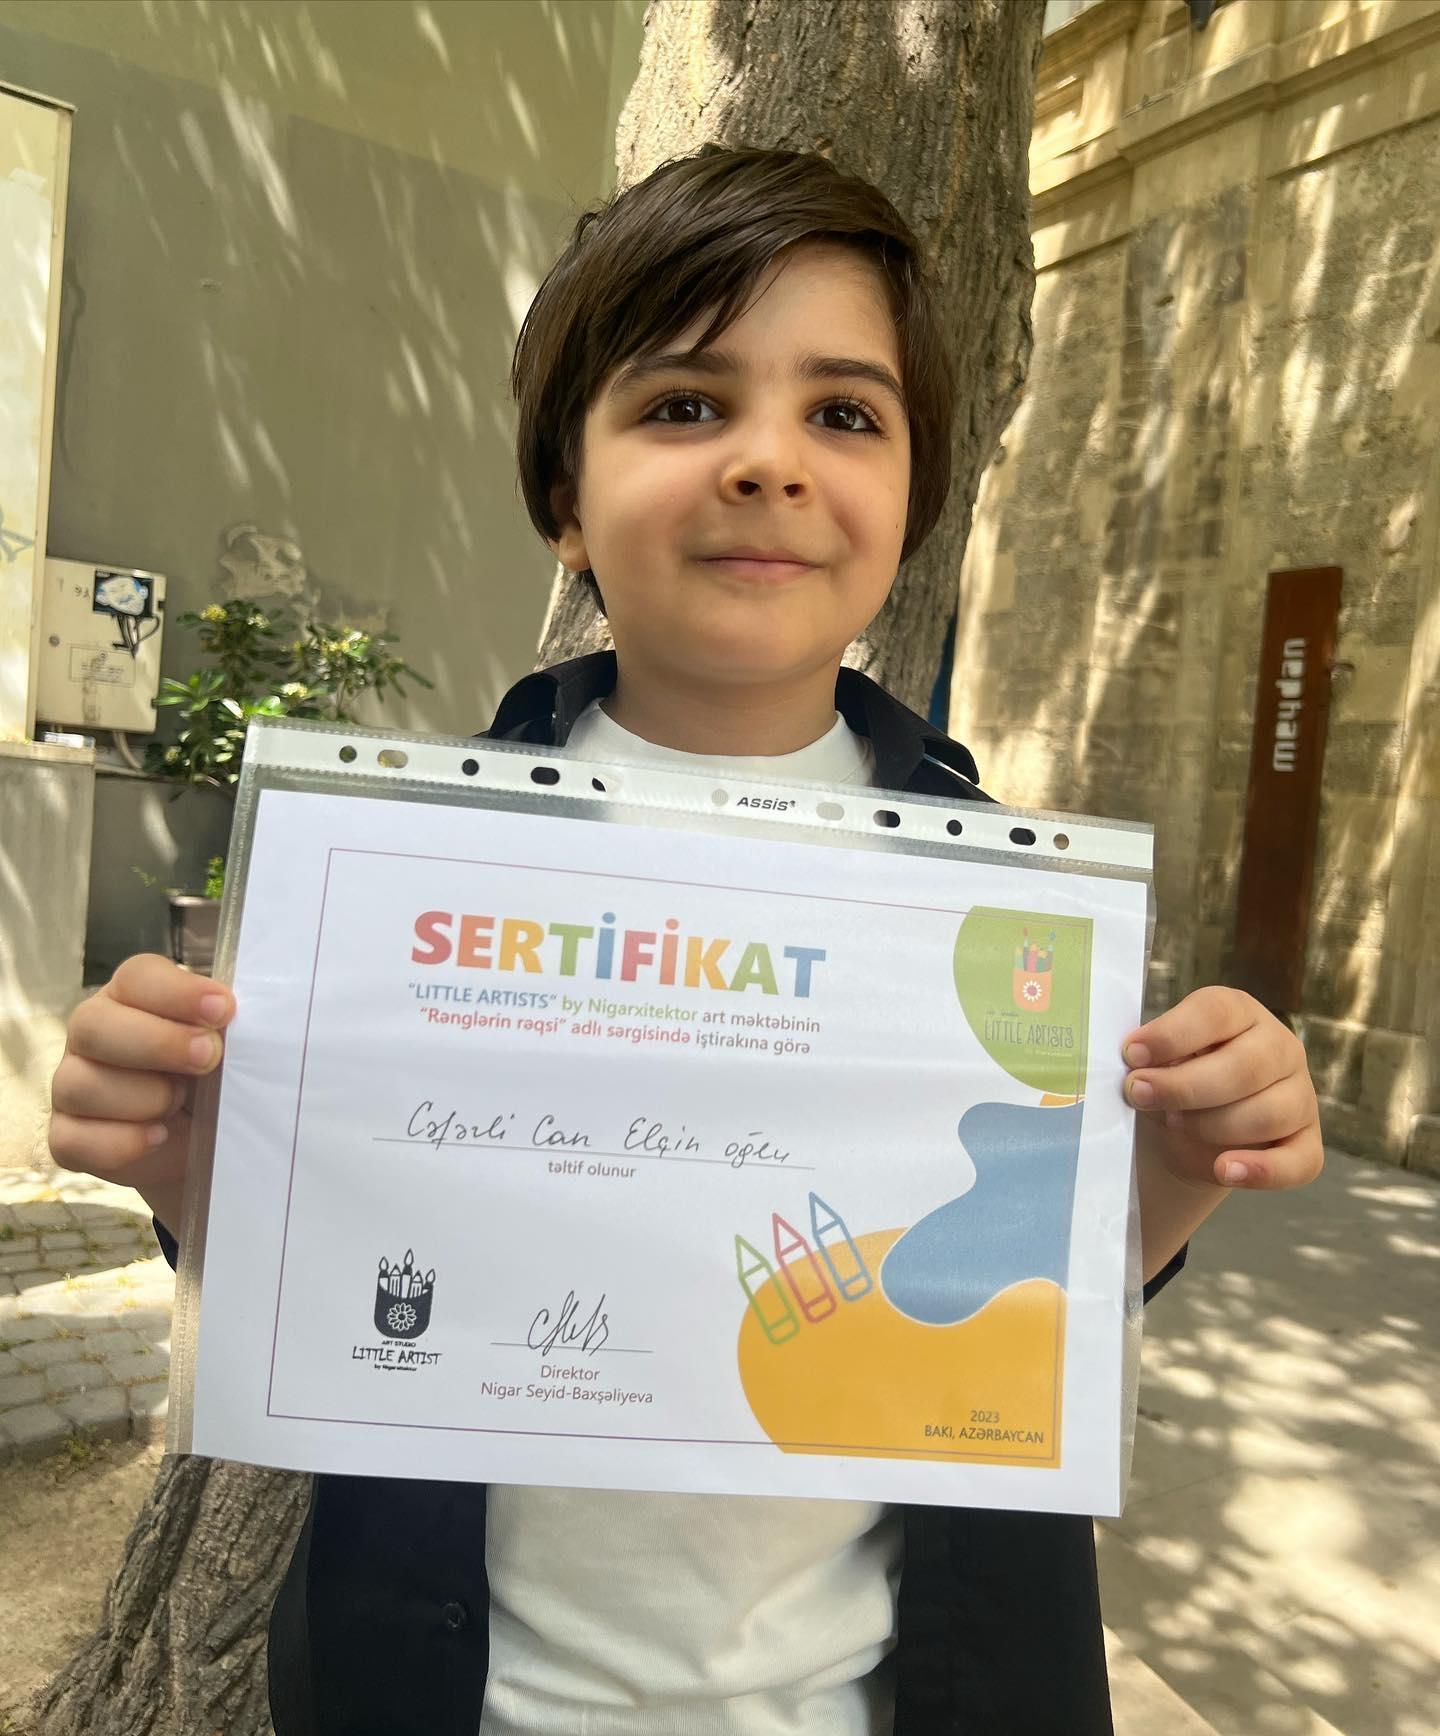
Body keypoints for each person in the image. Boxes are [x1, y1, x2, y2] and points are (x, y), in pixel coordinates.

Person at [48, 146, 1323, 1736]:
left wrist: (1185, 1165)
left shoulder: (1003, 910)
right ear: (564, 504)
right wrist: (191, 1168)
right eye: (684, 404)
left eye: (843, 413)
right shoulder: (396, 876)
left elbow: (1019, 1304)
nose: (769, 461)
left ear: (912, 500)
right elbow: (330, 1278)